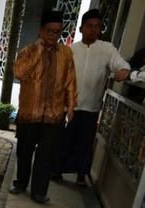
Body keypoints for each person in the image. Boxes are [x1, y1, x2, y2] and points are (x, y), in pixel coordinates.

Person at [55, 9, 130, 186]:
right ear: (81, 29)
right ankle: (57, 170)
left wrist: (123, 71)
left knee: (85, 143)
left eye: (97, 26)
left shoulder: (106, 49)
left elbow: (122, 65)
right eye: (89, 26)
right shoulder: (71, 50)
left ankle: (81, 175)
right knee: (65, 140)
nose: (93, 30)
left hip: (91, 107)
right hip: (69, 106)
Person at [9, 10, 77, 204]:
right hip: (30, 112)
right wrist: (38, 53)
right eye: (50, 31)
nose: (53, 35)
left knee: (46, 155)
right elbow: (19, 73)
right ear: (41, 30)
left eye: (57, 31)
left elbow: (70, 80)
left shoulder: (66, 53)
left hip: (53, 114)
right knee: (24, 152)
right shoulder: (28, 51)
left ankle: (39, 191)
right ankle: (21, 183)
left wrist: (71, 105)